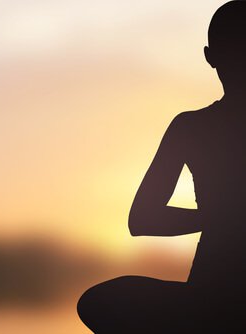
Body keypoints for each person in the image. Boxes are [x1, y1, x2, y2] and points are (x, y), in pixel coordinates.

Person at [77, 1, 246, 333]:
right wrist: (221, 218)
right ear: (211, 57)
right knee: (97, 301)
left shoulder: (192, 127)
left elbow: (142, 218)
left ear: (209, 56)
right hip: (210, 295)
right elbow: (140, 219)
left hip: (212, 295)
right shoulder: (190, 127)